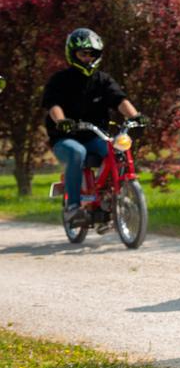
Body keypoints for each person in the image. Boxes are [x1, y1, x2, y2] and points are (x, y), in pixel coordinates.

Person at [42, 28, 147, 225]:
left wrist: (136, 116)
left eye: (92, 54)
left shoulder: (103, 80)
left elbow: (119, 100)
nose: (88, 58)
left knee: (118, 150)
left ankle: (113, 196)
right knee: (77, 153)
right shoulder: (60, 80)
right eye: (83, 53)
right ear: (72, 54)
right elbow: (52, 105)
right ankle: (73, 207)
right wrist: (61, 121)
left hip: (95, 136)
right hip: (65, 138)